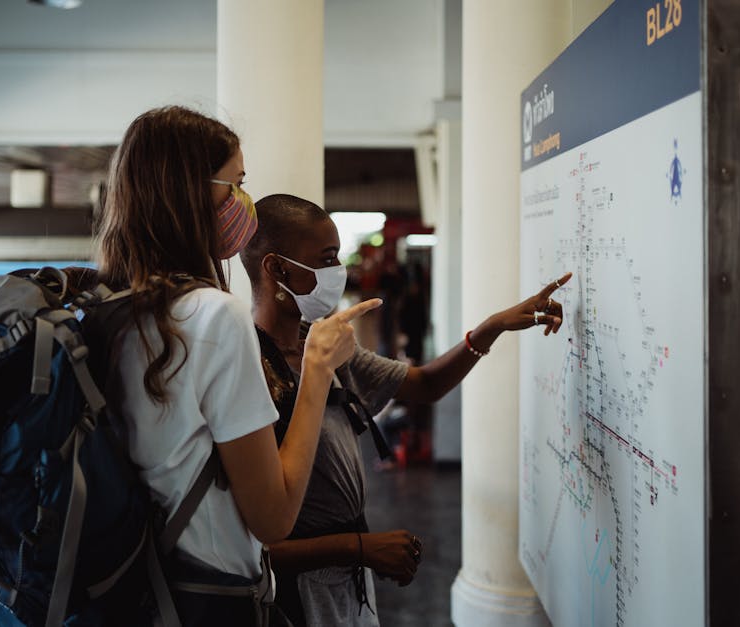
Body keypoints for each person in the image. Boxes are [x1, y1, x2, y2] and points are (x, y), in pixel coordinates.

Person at [94, 107, 381, 626]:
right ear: (191, 192)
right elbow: (273, 517)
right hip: (208, 595)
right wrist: (315, 370)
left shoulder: (111, 306)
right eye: (236, 185)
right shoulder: (214, 316)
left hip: (136, 585)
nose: (243, 205)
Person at [240, 193, 571, 626]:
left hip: (349, 583)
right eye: (326, 259)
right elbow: (254, 545)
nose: (340, 272)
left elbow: (425, 385)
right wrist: (359, 548)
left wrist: (491, 328)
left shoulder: (324, 344)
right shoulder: (248, 365)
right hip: (296, 597)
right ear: (277, 268)